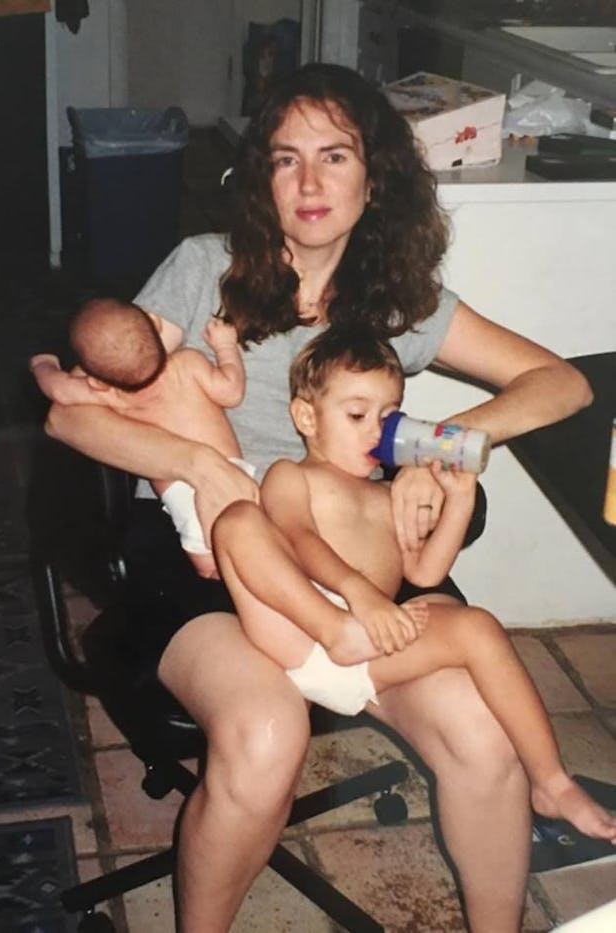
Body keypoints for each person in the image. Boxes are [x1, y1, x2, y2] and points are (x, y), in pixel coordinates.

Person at [44, 63, 595, 933]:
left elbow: (560, 384)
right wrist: (199, 460)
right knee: (266, 736)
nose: (308, 183)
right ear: (261, 175)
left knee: (487, 741)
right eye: (286, 157)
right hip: (209, 554)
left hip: (353, 553)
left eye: (334, 157)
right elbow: (75, 421)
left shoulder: (402, 304)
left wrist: (431, 448)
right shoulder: (205, 267)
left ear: (374, 177)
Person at [212, 325, 616, 844]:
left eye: (388, 416)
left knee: (478, 628)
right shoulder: (292, 476)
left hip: (366, 653)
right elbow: (297, 538)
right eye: (357, 415)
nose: (375, 432)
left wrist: (460, 500)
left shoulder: (387, 497)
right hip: (302, 632)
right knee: (239, 521)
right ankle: (335, 627)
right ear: (306, 417)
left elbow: (423, 574)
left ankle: (551, 782)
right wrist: (356, 600)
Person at [31, 296, 248, 579]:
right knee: (253, 539)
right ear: (156, 323)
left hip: (181, 496)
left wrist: (43, 365)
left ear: (94, 379)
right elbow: (232, 393)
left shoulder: (107, 394)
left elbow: (60, 392)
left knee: (209, 565)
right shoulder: (188, 364)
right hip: (234, 473)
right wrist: (225, 347)